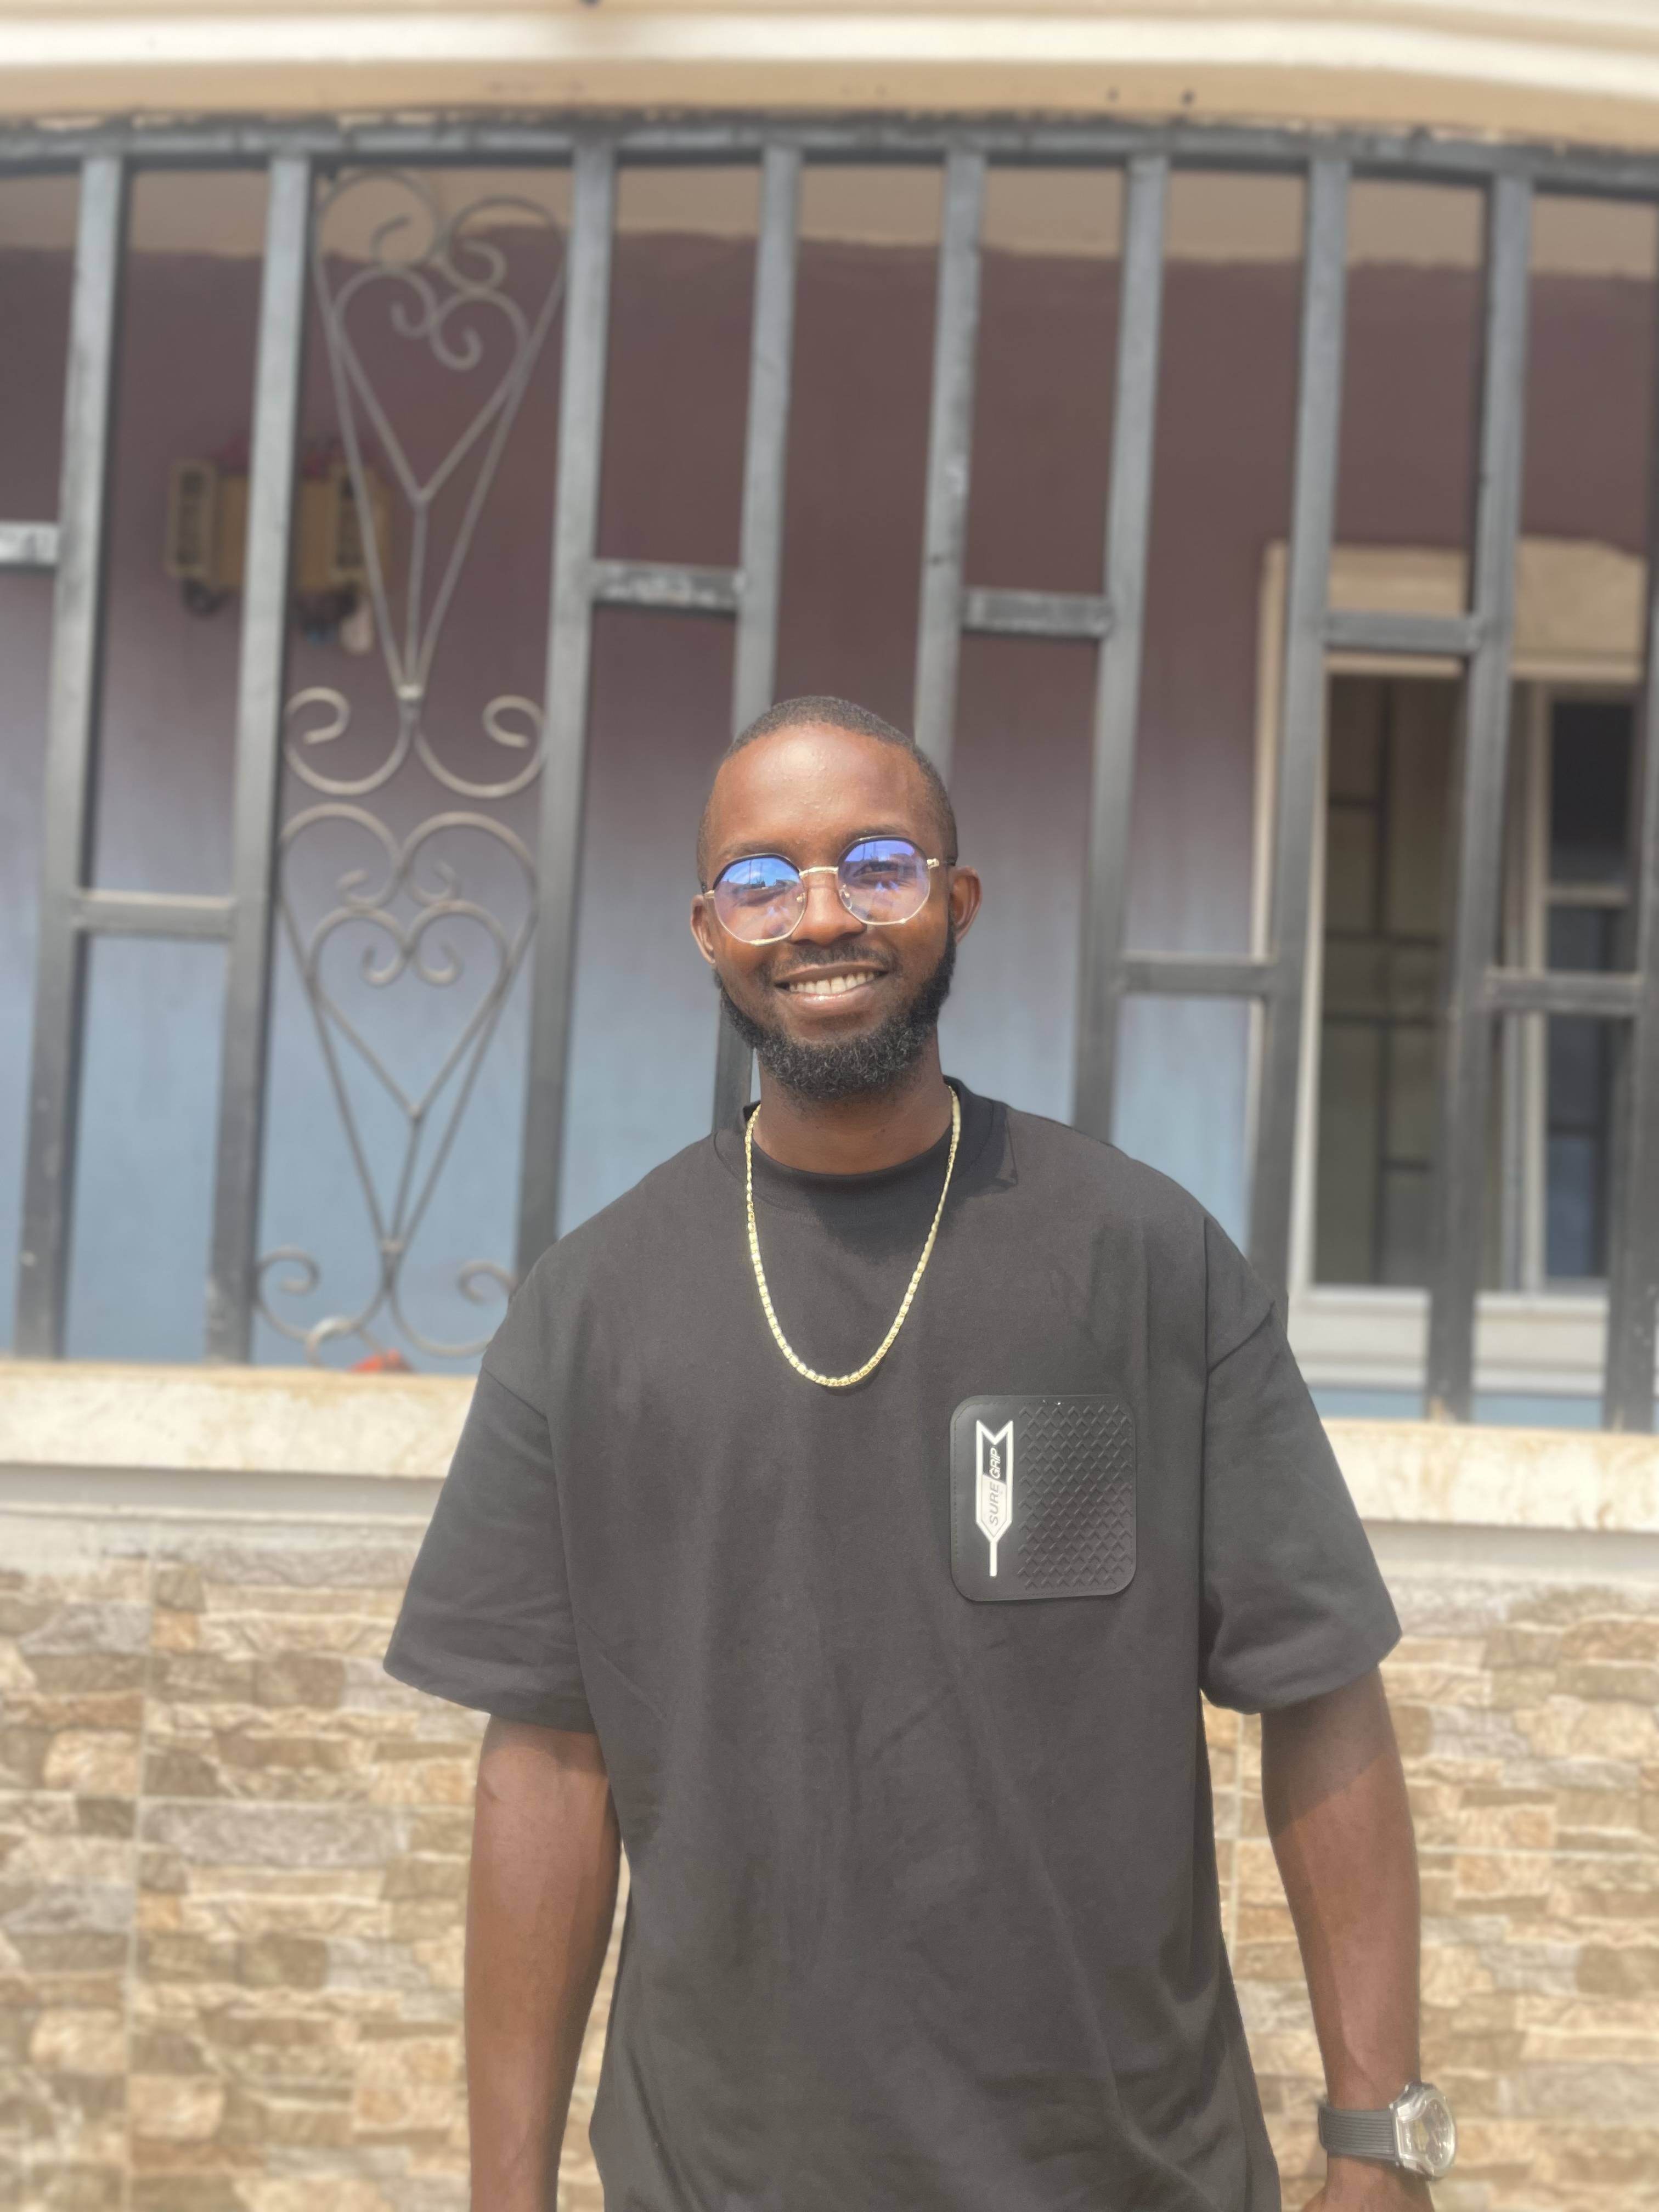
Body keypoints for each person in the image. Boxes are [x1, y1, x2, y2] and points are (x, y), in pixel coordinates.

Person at [385, 695, 1452, 2211]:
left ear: (957, 900)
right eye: (763, 880)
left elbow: (1320, 1682)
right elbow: (551, 1771)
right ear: (707, 930)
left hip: (1123, 2176)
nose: (822, 916)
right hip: (719, 2178)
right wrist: (509, 2192)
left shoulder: (1143, 1258)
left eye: (876, 865)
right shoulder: (592, 1309)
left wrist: (1379, 2139)